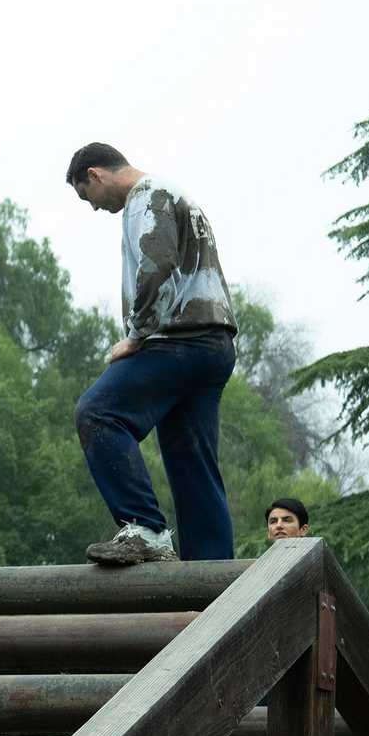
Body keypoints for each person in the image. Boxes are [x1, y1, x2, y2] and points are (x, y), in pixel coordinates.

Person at [67, 143, 239, 566]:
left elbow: (155, 264)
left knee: (98, 412)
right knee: (191, 461)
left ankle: (144, 528)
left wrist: (138, 334)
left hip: (178, 340)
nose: (93, 209)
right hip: (214, 345)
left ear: (96, 175)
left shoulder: (147, 196)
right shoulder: (175, 196)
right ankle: (211, 577)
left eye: (86, 197)